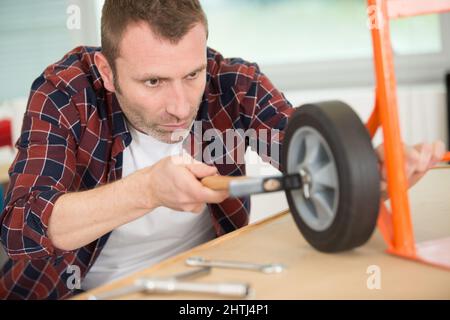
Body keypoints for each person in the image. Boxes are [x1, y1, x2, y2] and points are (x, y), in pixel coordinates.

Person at [0, 0, 445, 300]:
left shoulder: (233, 83)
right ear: (107, 70)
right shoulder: (64, 92)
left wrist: (374, 173)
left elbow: (316, 157)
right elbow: (21, 227)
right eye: (153, 82)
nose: (178, 106)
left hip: (202, 289)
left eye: (191, 75)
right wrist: (148, 191)